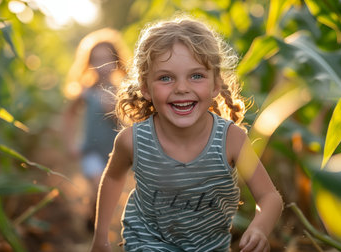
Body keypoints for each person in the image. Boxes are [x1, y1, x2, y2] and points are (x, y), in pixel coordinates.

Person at [90, 16, 283, 252]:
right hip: (147, 241)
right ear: (145, 87)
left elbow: (269, 197)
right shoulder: (133, 141)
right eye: (166, 78)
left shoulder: (231, 140)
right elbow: (112, 178)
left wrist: (259, 228)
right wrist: (100, 238)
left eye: (196, 75)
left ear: (215, 85)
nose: (182, 88)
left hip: (209, 246)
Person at [62, 28, 129, 227]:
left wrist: (116, 109)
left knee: (106, 191)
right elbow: (68, 116)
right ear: (89, 63)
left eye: (106, 59)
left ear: (117, 61)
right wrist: (70, 143)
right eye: (97, 59)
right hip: (90, 150)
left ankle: (93, 218)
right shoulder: (85, 92)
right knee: (98, 183)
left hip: (115, 153)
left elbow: (132, 121)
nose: (102, 65)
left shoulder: (123, 92)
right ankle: (96, 224)